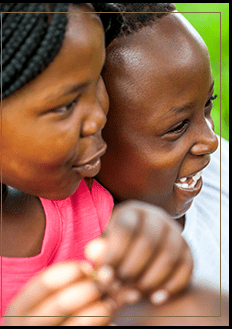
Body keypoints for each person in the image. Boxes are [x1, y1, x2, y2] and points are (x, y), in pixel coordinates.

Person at [0, 3, 194, 326]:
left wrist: (145, 231)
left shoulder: (83, 204)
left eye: (96, 78)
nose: (100, 115)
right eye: (67, 103)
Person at [94, 1, 229, 320]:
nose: (210, 140)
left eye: (207, 106)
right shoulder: (93, 265)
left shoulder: (220, 171)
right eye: (177, 127)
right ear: (91, 137)